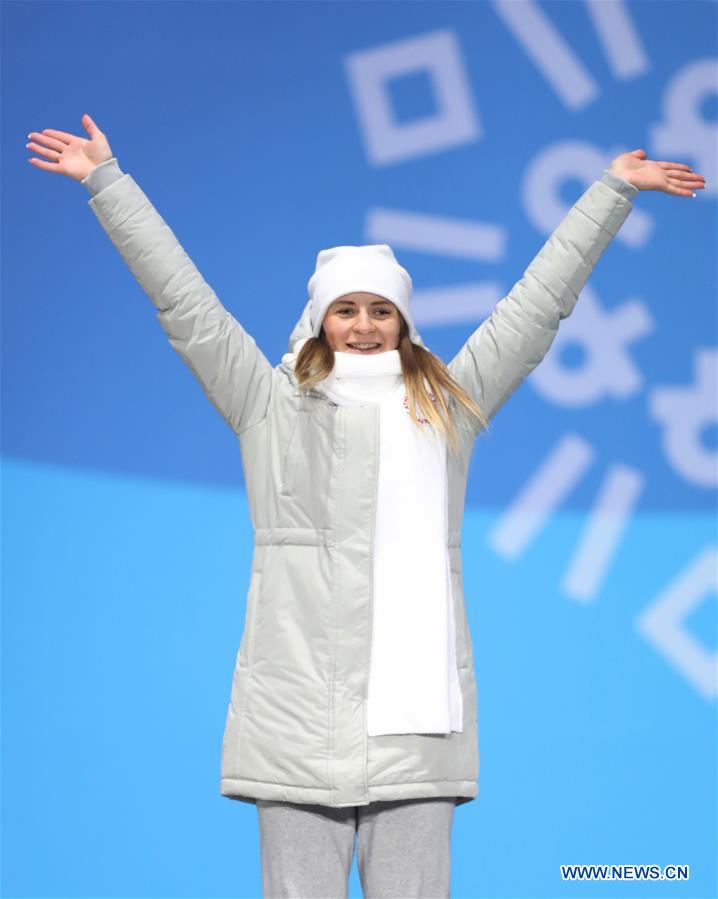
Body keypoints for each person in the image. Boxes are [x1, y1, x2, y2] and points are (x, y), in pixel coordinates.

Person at [27, 114, 705, 899]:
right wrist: (108, 184)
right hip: (294, 725)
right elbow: (185, 303)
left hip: (415, 733)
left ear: (404, 323)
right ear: (320, 319)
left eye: (380, 310)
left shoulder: (450, 406)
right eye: (345, 309)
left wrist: (611, 192)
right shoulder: (267, 405)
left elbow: (536, 307)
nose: (362, 325)